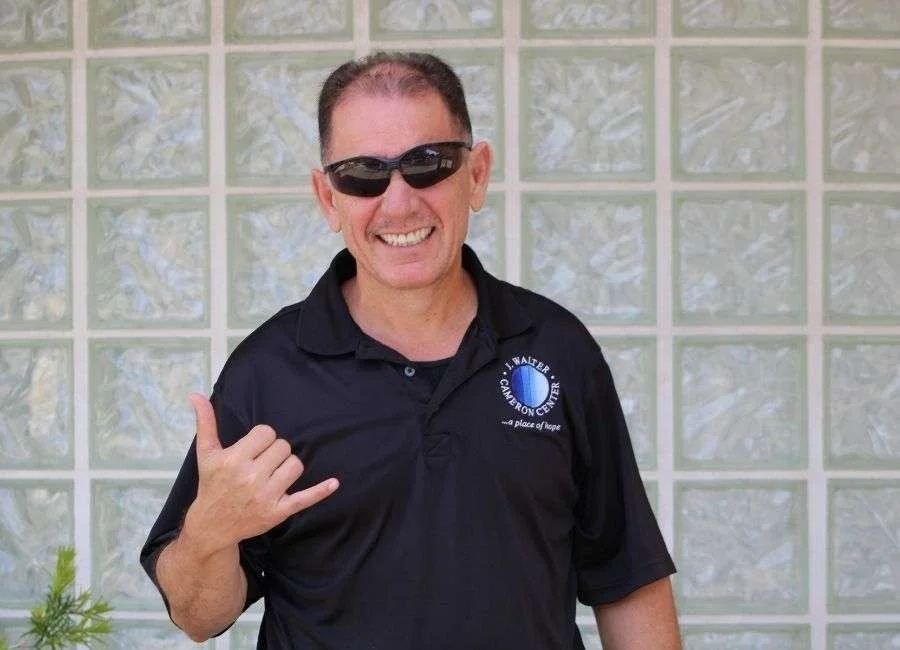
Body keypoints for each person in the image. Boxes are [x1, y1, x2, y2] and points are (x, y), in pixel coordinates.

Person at [140, 51, 681, 650]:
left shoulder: (556, 348)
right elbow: (197, 617)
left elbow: (627, 579)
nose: (398, 202)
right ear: (328, 198)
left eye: (428, 163)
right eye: (362, 174)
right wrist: (209, 534)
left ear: (476, 175)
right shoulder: (268, 372)